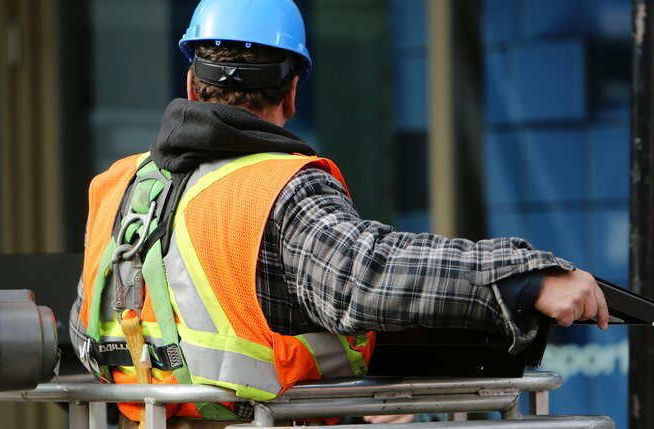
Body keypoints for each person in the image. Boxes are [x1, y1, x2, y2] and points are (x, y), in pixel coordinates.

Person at [69, 0, 609, 426]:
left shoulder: (118, 186)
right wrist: (523, 278)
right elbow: (365, 276)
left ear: (191, 84)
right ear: (293, 91)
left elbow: (88, 331)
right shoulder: (278, 189)